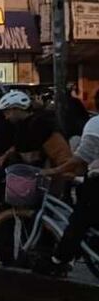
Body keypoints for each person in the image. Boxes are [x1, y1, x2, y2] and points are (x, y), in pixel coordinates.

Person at [35, 114, 99, 277]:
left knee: (77, 222)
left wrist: (54, 171)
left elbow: (82, 156)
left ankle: (59, 260)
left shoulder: (95, 123)